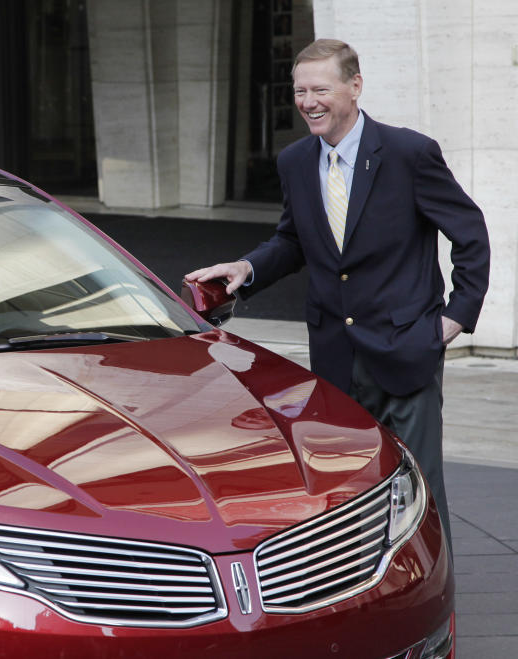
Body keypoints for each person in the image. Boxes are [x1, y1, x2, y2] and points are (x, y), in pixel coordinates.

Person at [185, 39, 490, 548]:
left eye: (320, 89)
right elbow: (292, 240)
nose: (308, 102)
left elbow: (471, 234)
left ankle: (432, 608)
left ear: (354, 86)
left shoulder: (408, 153)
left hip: (406, 350)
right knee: (346, 495)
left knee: (416, 491)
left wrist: (454, 318)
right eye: (300, 91)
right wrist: (245, 268)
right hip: (335, 357)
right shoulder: (295, 161)